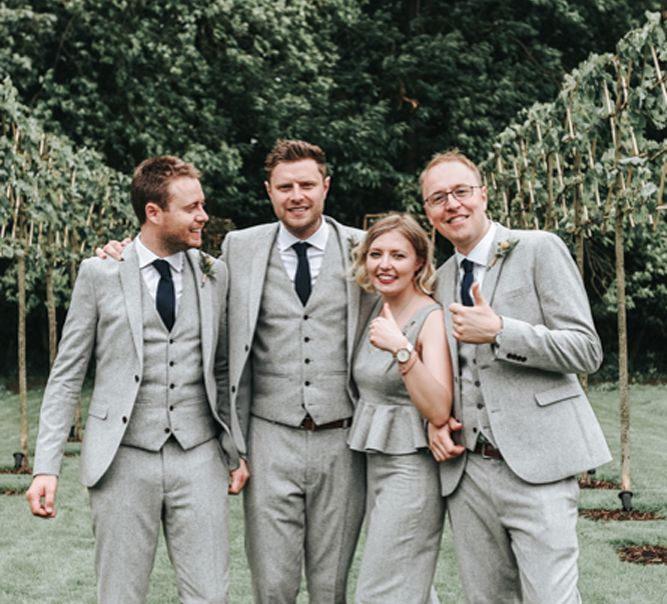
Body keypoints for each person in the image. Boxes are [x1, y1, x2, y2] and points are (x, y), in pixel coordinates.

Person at [26, 156, 248, 604]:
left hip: (199, 457)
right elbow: (67, 374)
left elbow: (223, 369)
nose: (203, 215)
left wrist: (235, 449)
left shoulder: (214, 274)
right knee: (121, 595)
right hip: (122, 457)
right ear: (153, 212)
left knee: (210, 594)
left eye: (202, 205)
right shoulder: (100, 273)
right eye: (192, 208)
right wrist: (46, 466)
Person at [420, 149, 612, 603]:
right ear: (428, 211)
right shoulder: (440, 280)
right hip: (468, 474)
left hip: (539, 465)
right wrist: (434, 418)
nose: (452, 205)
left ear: (483, 195)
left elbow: (587, 349)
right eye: (438, 198)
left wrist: (502, 331)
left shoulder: (539, 248)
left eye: (461, 192)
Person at [220, 139, 372, 603]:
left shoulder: (366, 248)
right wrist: (121, 252)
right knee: (272, 584)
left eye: (307, 184)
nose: (296, 195)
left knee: (331, 586)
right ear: (269, 191)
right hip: (269, 437)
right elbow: (179, 275)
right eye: (285, 186)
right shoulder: (239, 247)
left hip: (343, 439)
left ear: (326, 186)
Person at [348, 213, 452, 604]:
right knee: (411, 587)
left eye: (398, 256)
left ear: (419, 264)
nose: (385, 265)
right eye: (376, 254)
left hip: (411, 470)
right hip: (375, 465)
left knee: (381, 590)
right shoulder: (375, 309)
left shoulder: (431, 318)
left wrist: (401, 348)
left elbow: (439, 408)